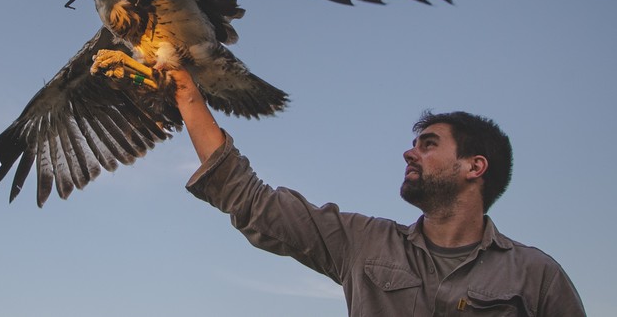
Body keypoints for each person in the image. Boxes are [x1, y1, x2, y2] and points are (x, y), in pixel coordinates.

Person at [170, 68, 586, 316]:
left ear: (474, 167)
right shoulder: (363, 243)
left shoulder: (535, 275)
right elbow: (253, 202)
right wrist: (189, 98)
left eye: (429, 144)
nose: (410, 152)